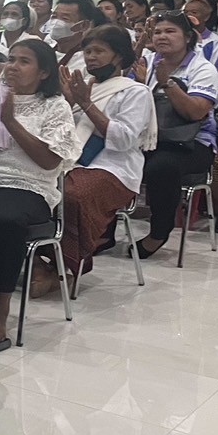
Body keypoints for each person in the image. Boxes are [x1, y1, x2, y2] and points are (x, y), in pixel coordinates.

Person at [0, 39, 80, 354]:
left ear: (43, 72)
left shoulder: (55, 106)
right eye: (11, 59)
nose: (13, 66)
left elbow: (49, 161)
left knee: (5, 220)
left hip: (28, 186)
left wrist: (9, 121)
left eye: (24, 61)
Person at [55, 26, 153, 288]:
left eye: (99, 51)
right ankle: (41, 259)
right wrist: (68, 102)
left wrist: (86, 104)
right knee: (37, 190)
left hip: (114, 167)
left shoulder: (134, 92)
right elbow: (61, 132)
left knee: (72, 196)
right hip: (72, 161)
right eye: (87, 51)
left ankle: (67, 265)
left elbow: (123, 140)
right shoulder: (80, 88)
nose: (91, 57)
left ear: (119, 55)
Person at [135, 12, 218, 258]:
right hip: (151, 138)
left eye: (170, 31)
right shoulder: (148, 61)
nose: (162, 36)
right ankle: (104, 233)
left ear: (188, 37)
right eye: (158, 32)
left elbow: (195, 112)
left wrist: (167, 83)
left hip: (192, 143)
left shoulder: (203, 68)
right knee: (111, 157)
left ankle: (159, 231)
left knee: (162, 167)